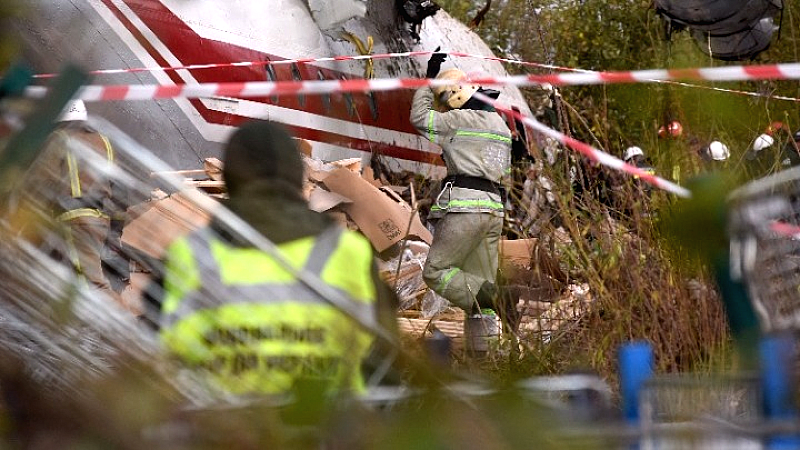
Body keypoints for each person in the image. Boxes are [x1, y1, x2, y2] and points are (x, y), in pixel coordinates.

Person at [157, 120, 398, 397]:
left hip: (220, 431)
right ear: (297, 177)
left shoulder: (190, 254)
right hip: (327, 430)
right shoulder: (348, 253)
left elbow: (153, 360)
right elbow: (384, 360)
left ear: (232, 179)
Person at [409, 52, 514, 343]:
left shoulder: (459, 120)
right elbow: (503, 168)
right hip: (494, 209)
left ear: (453, 96)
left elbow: (419, 118)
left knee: (436, 270)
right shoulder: (502, 127)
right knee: (478, 290)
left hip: (466, 206)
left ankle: (497, 297)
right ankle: (484, 359)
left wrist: (428, 83)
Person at [39, 100, 131, 310]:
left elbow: (42, 182)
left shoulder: (59, 139)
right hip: (99, 219)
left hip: (74, 220)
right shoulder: (104, 142)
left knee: (92, 285)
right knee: (68, 280)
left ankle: (118, 331)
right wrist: (115, 230)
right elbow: (121, 190)